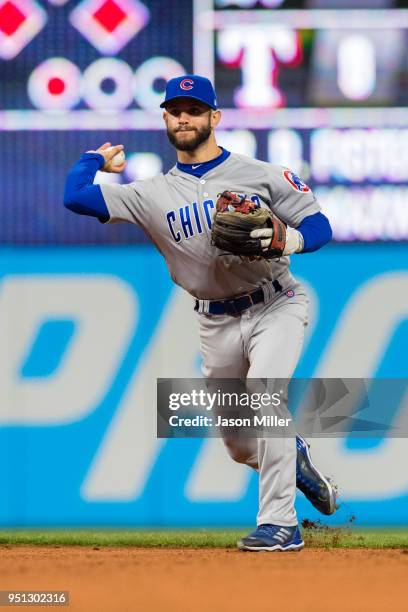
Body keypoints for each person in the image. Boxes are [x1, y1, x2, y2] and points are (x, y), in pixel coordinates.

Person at [64, 74, 337, 552]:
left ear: (215, 117)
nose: (183, 117)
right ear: (166, 119)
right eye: (175, 110)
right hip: (214, 321)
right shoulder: (147, 194)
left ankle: (280, 525)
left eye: (193, 109)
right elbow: (75, 196)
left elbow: (319, 224)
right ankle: (291, 457)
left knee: (265, 397)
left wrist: (288, 239)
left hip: (277, 302)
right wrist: (95, 160)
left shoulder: (259, 173)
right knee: (237, 444)